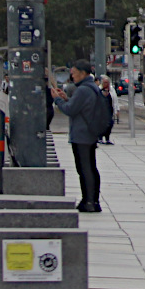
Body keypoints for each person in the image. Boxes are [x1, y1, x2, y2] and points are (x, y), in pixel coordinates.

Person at [51, 60, 107, 212]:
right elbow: (78, 106)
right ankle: (92, 199)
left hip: (82, 134)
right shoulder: (91, 87)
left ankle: (89, 200)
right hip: (89, 133)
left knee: (84, 169)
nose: (72, 76)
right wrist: (66, 99)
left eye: (74, 73)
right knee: (90, 167)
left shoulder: (83, 90)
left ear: (83, 73)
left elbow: (70, 110)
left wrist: (56, 99)